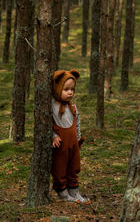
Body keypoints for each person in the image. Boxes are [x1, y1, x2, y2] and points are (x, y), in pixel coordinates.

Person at [51, 69, 87, 203]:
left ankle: (74, 192)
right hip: (61, 146)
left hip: (73, 145)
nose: (70, 92)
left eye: (72, 89)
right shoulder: (52, 106)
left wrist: (78, 138)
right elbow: (47, 125)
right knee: (60, 168)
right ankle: (63, 193)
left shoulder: (72, 107)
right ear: (57, 88)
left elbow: (77, 122)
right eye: (66, 89)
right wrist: (53, 136)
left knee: (74, 167)